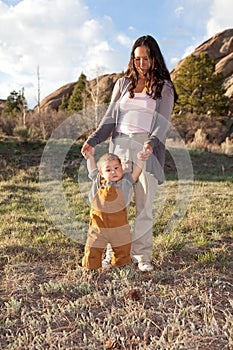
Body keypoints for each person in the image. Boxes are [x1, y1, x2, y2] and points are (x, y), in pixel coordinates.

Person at [81, 35, 178, 272]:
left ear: (155, 58)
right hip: (120, 148)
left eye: (145, 58)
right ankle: (112, 253)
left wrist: (152, 143)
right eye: (137, 59)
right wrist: (92, 140)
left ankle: (141, 255)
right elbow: (110, 119)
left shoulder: (164, 87)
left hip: (147, 148)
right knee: (114, 205)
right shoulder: (123, 84)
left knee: (145, 205)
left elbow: (163, 121)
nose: (141, 63)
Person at [82, 150, 149, 270]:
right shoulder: (98, 180)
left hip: (119, 224)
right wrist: (90, 157)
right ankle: (90, 268)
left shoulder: (126, 181)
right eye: (108, 170)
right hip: (99, 223)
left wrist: (141, 160)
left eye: (117, 168)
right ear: (101, 173)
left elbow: (137, 172)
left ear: (122, 168)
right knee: (93, 246)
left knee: (123, 247)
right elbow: (92, 169)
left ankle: (121, 266)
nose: (113, 171)